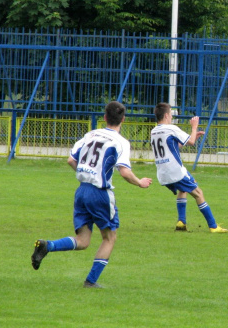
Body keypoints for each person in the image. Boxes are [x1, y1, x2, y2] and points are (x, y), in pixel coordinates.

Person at [31, 101, 152, 288]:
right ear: (123, 119)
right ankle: (91, 281)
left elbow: (71, 159)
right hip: (100, 194)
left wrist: (86, 175)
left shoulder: (90, 134)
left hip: (81, 192)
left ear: (104, 118)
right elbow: (125, 172)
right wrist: (140, 183)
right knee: (109, 238)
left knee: (83, 241)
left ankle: (48, 246)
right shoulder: (121, 142)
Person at [151, 103, 228, 233]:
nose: (171, 117)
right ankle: (213, 226)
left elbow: (172, 146)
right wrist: (194, 128)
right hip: (175, 170)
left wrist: (193, 136)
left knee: (183, 189)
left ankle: (181, 222)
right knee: (198, 193)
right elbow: (191, 143)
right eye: (170, 114)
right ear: (166, 115)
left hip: (162, 173)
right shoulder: (171, 128)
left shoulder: (154, 131)